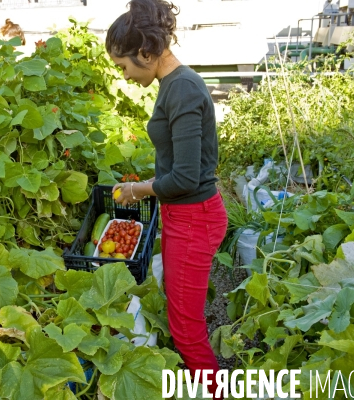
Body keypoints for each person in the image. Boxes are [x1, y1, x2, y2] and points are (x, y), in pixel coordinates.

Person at [108, 0, 227, 397]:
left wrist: (139, 189)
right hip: (185, 215)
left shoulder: (182, 88)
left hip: (195, 218)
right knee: (182, 320)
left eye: (123, 66)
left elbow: (188, 177)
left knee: (187, 330)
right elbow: (181, 167)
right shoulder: (173, 85)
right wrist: (147, 184)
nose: (124, 76)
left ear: (145, 51)